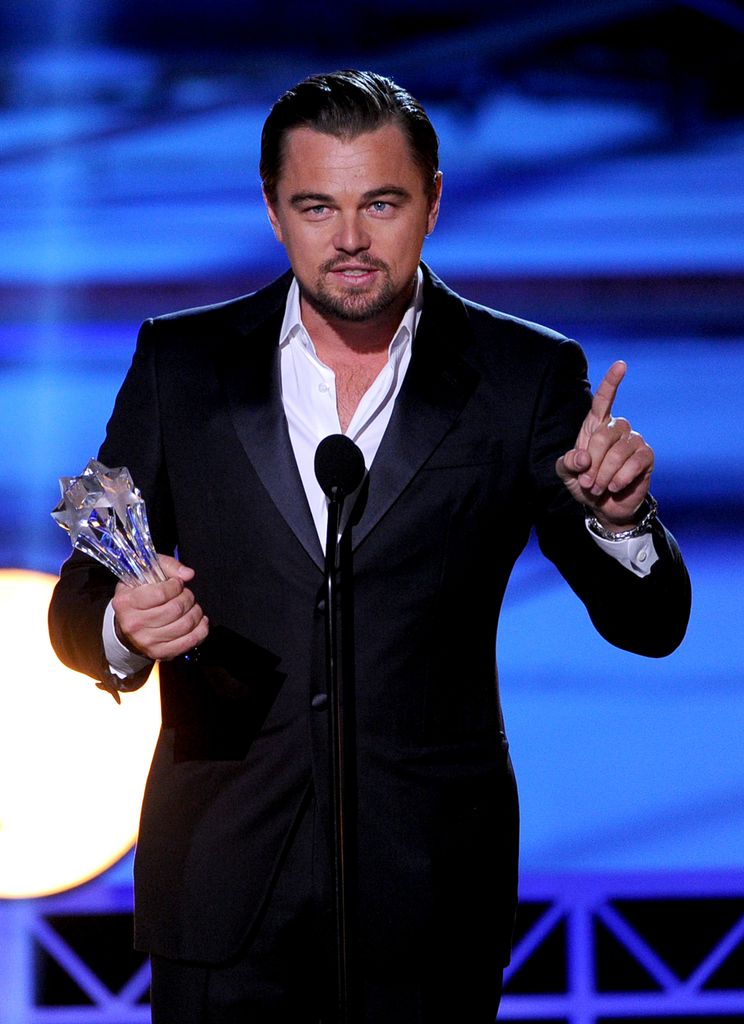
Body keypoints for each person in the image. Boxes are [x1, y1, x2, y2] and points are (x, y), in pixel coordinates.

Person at [49, 69, 691, 1023]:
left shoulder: (521, 375)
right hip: (222, 881)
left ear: (432, 201)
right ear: (274, 210)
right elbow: (78, 603)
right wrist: (123, 627)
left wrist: (622, 521)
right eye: (317, 206)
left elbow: (651, 624)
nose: (349, 238)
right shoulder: (184, 364)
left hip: (431, 890)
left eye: (380, 203)